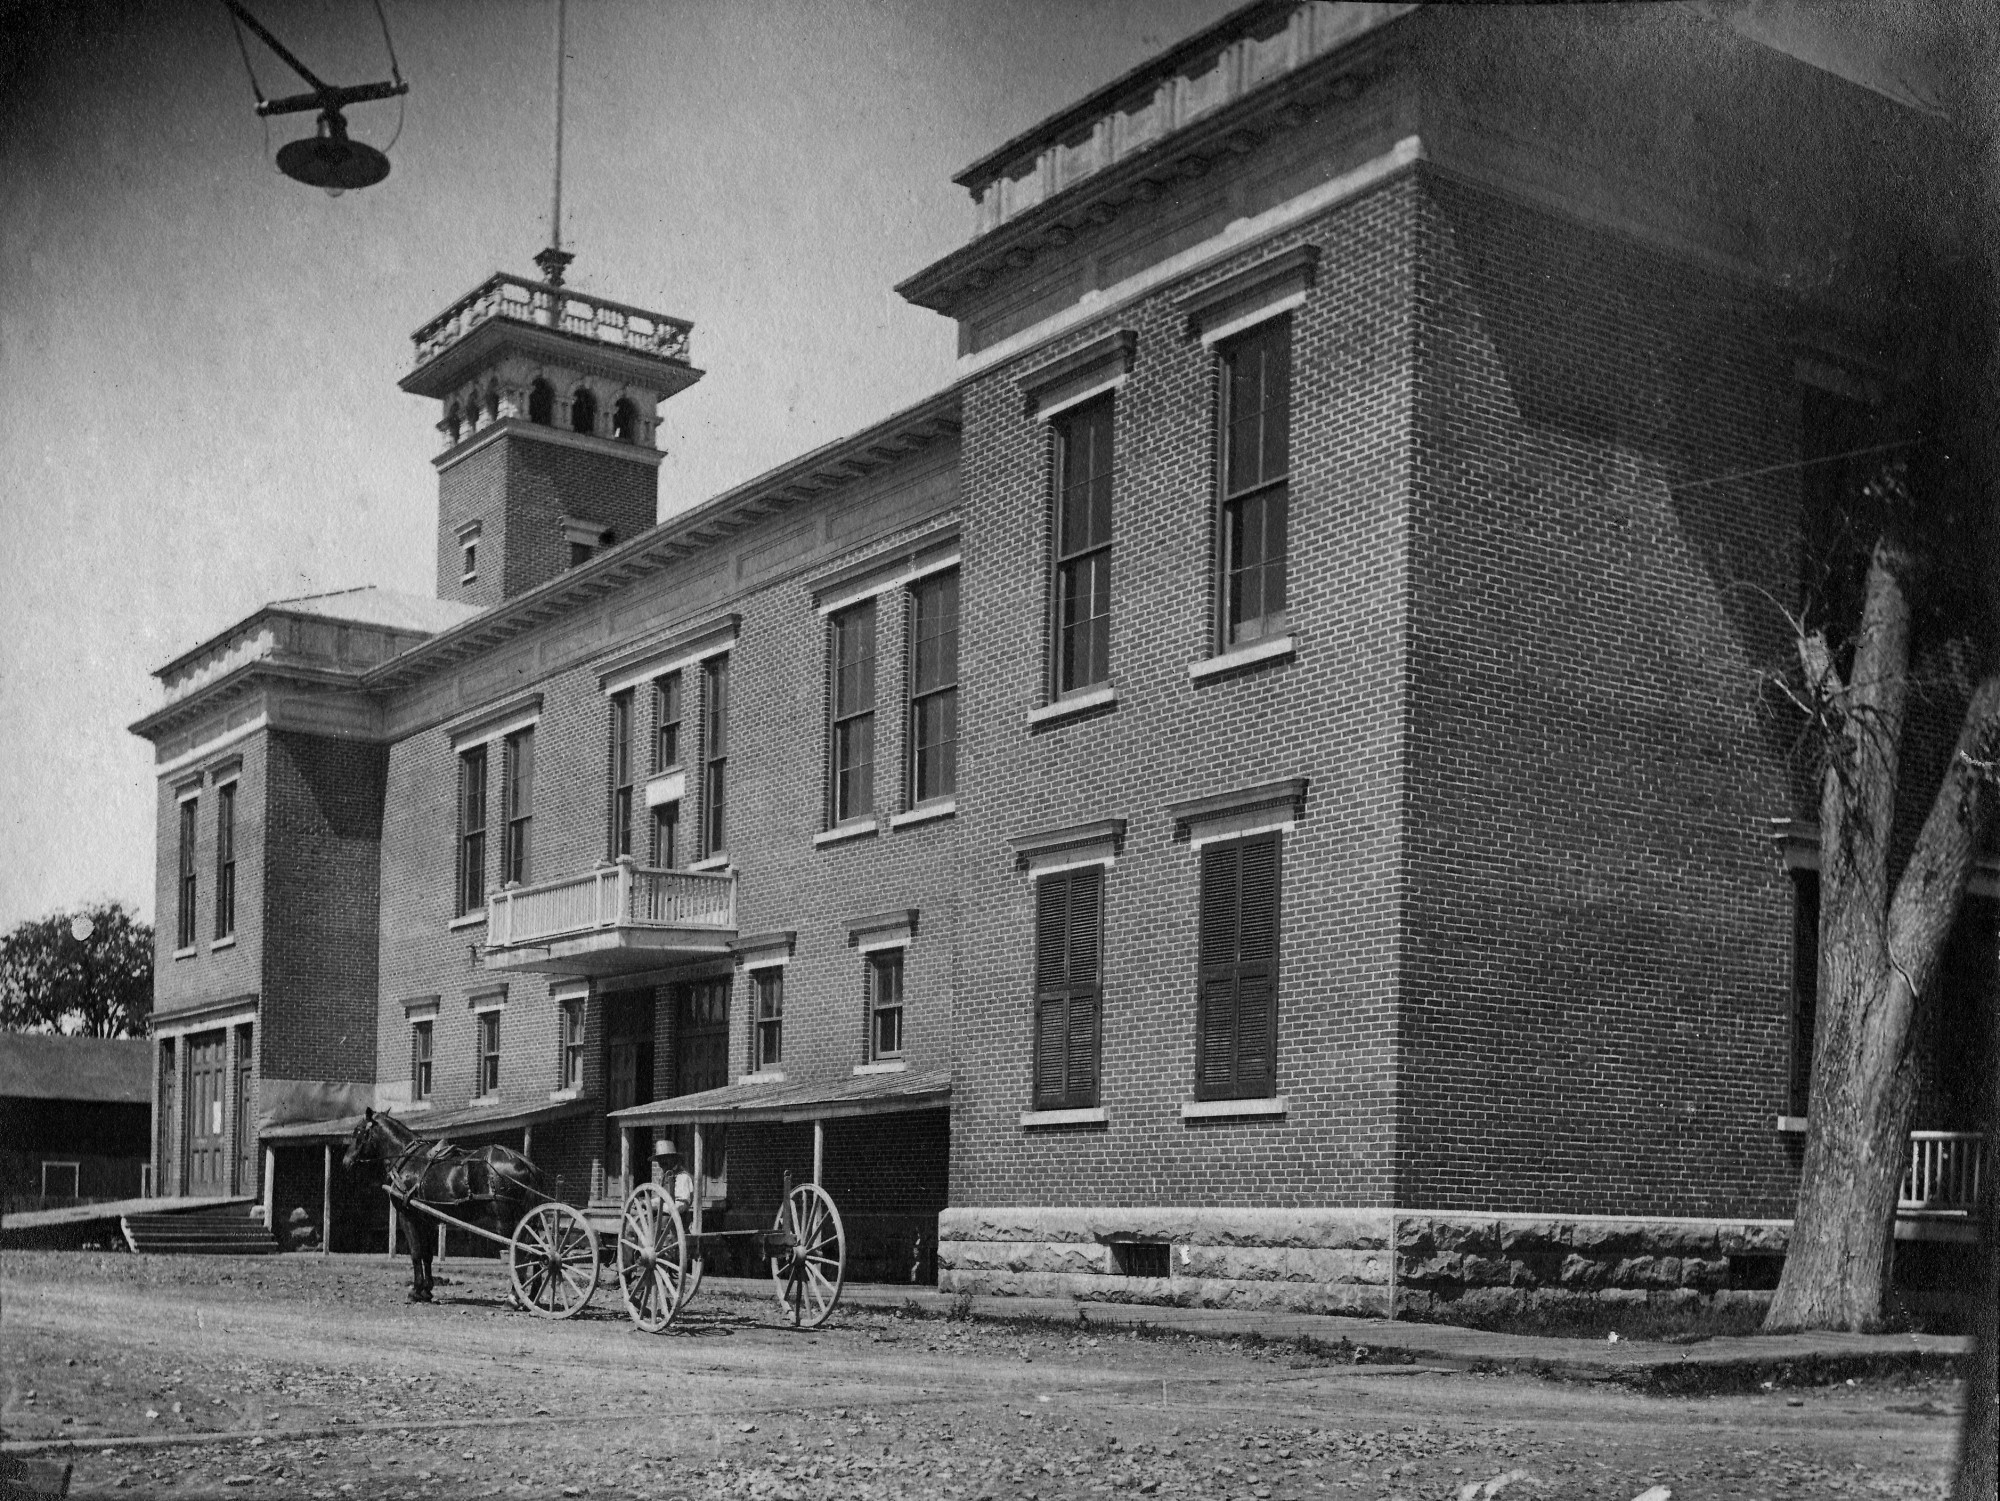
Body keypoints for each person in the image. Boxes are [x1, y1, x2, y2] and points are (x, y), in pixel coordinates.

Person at [650, 1139, 696, 1219]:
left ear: (673, 1159)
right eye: (659, 1159)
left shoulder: (683, 1177)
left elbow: (681, 1205)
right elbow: (662, 1199)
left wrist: (658, 1207)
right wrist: (647, 1203)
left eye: (665, 1158)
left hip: (676, 1219)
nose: (661, 1162)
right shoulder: (664, 1177)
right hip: (663, 1215)